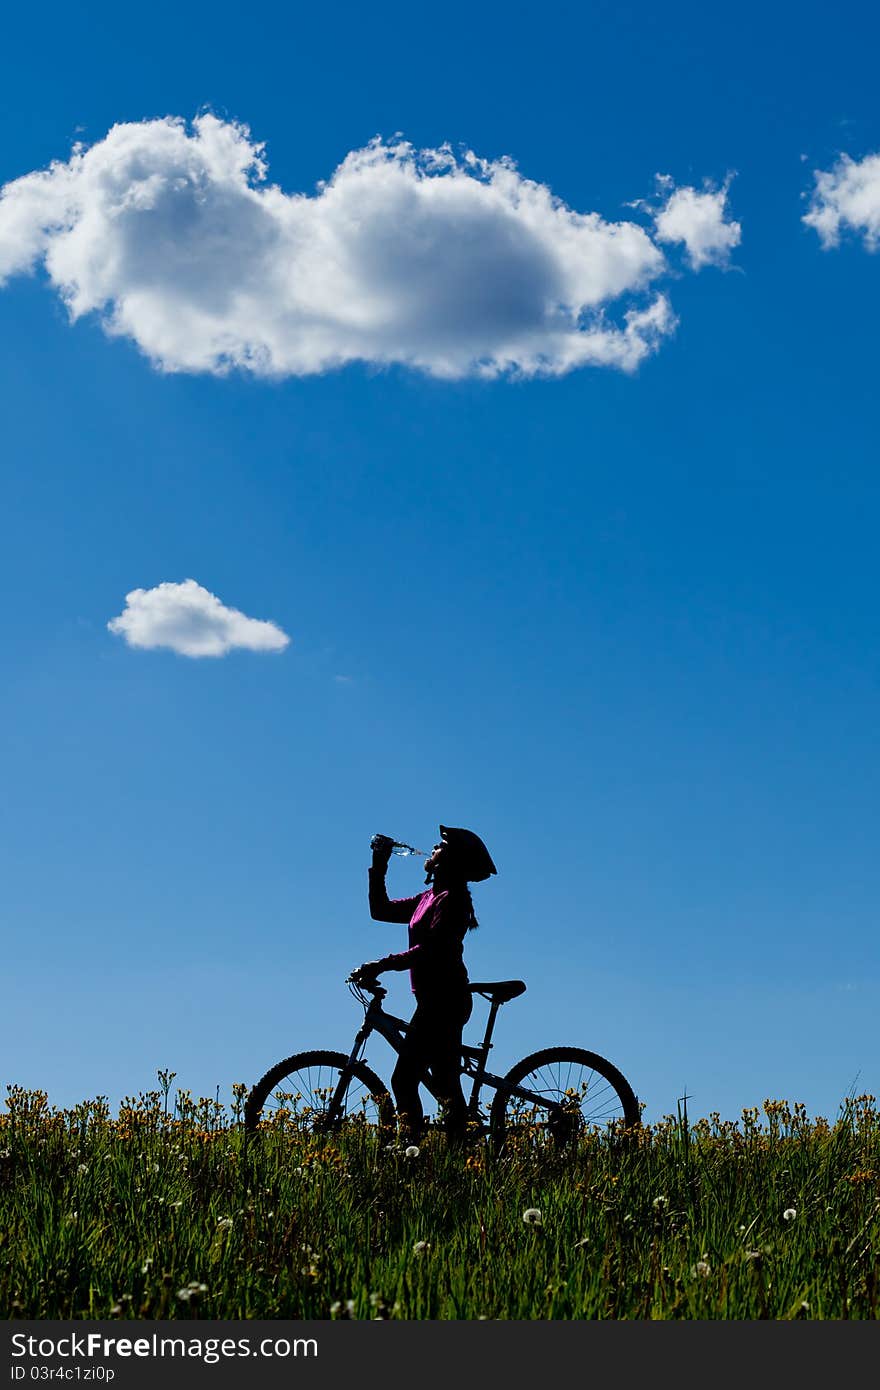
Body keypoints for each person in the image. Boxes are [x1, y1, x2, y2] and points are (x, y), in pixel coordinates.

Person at [351, 825, 497, 1146]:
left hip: (445, 1002)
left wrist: (382, 964)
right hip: (433, 1001)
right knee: (444, 1084)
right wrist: (380, 862)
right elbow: (380, 910)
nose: (432, 848)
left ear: (452, 860)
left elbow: (431, 950)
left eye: (440, 846)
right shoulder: (428, 897)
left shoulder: (453, 900)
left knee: (404, 1080)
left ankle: (411, 1153)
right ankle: (456, 1151)